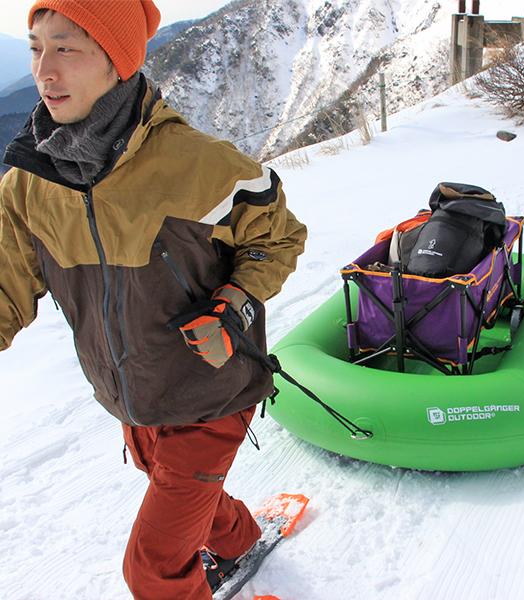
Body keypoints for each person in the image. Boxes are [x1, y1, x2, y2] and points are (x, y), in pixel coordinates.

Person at [0, 1, 307, 598]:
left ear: (116, 59)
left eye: (66, 47)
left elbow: (279, 236)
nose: (45, 70)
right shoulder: (26, 186)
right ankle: (240, 539)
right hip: (132, 396)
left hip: (212, 391)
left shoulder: (202, 166)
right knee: (176, 484)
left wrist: (234, 303)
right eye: (36, 47)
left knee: (152, 570)